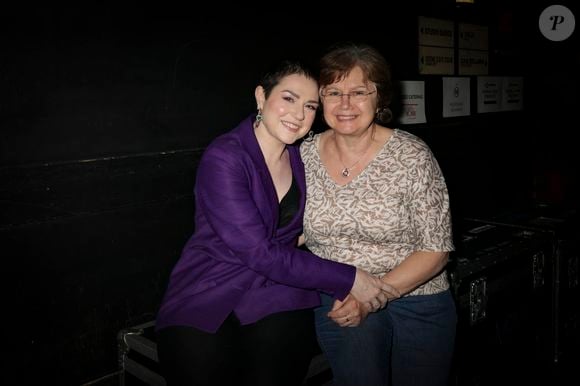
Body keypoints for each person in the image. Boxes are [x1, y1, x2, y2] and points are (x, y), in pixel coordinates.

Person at [154, 59, 399, 386]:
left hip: (277, 288)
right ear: (261, 97)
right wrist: (349, 278)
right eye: (288, 98)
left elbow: (321, 220)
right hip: (213, 281)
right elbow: (257, 251)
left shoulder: (304, 157)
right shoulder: (226, 156)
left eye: (310, 105)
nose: (298, 114)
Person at [300, 42, 457, 386]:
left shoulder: (412, 155)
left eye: (359, 91)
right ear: (320, 98)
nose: (345, 104)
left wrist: (373, 297)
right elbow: (289, 229)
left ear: (380, 98)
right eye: (333, 92)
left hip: (417, 299)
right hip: (340, 299)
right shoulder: (303, 156)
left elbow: (436, 249)